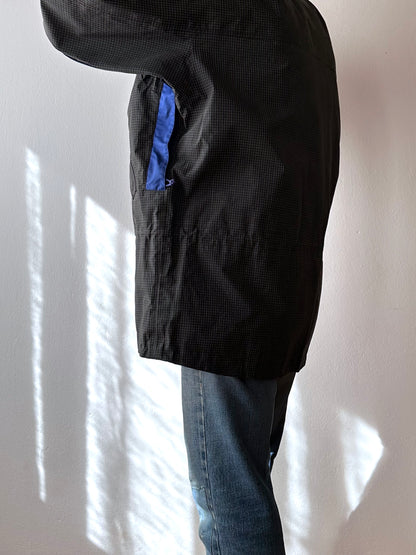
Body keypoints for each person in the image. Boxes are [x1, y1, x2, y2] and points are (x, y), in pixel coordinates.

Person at [40, 1, 340, 552]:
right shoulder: (303, 16)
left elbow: (79, 20)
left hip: (224, 290)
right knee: (245, 480)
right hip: (280, 284)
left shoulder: (212, 9)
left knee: (228, 503)